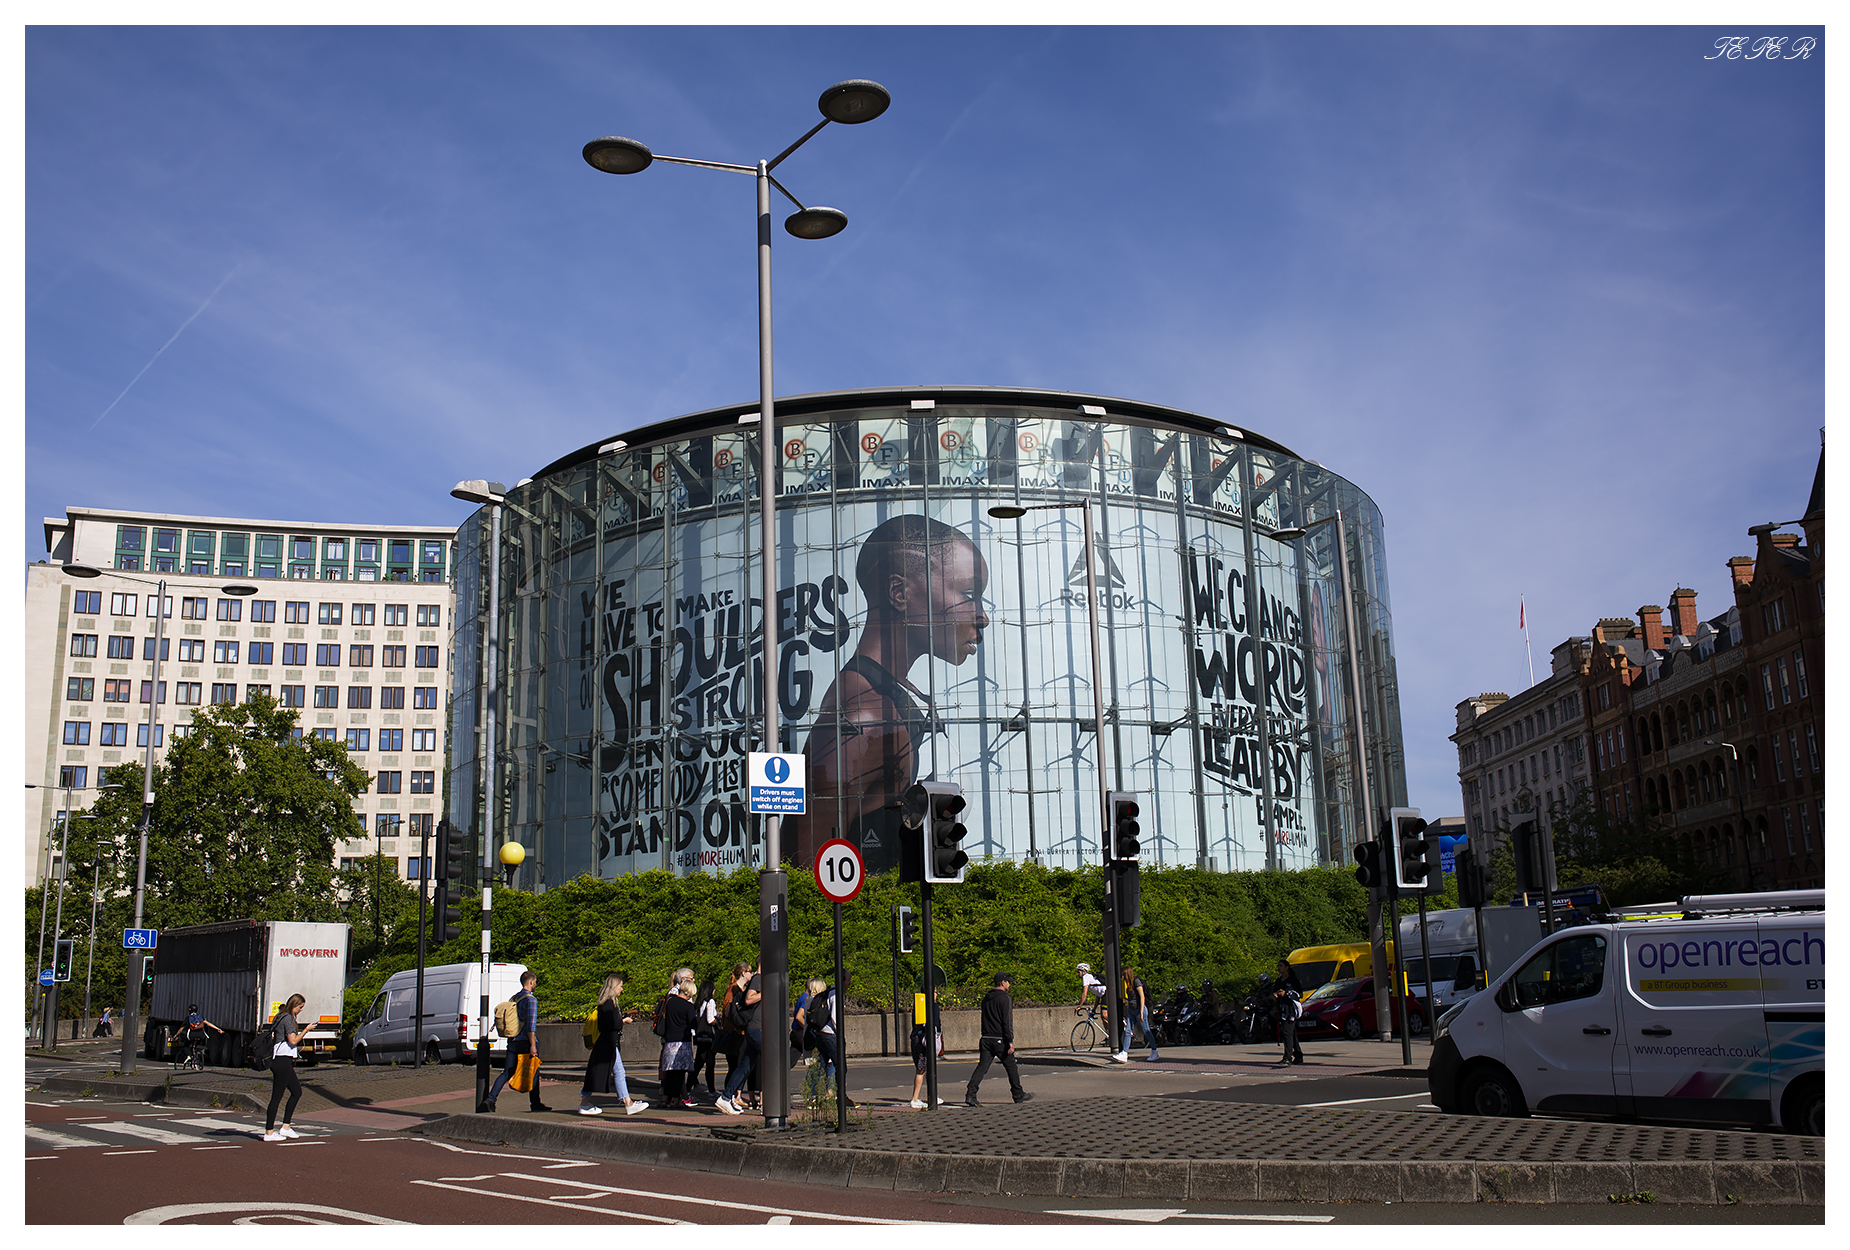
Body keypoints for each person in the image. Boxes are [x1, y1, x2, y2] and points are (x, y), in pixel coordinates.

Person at [795, 516, 990, 875]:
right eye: (968, 595)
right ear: (899, 593)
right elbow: (806, 872)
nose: (982, 617)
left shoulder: (891, 698)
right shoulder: (865, 716)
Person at [579, 974, 647, 1116]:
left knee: (601, 1073)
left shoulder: (605, 1003)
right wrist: (624, 1021)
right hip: (608, 1043)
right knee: (613, 1072)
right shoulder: (609, 1004)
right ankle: (627, 1103)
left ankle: (625, 1102)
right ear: (614, 987)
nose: (621, 989)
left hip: (606, 1043)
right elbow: (612, 1024)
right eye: (620, 986)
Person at [483, 969, 547, 1113]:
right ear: (531, 982)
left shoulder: (514, 998)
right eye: (535, 982)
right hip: (525, 1041)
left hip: (513, 1041)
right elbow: (531, 1025)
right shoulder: (531, 1000)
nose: (535, 984)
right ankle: (535, 1104)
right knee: (533, 1071)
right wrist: (533, 1045)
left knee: (507, 1072)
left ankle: (491, 1099)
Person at [965, 972, 1030, 1106]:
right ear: (1002, 982)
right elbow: (1007, 1021)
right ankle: (1018, 1094)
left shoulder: (986, 998)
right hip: (1000, 1039)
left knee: (982, 1067)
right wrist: (1010, 1041)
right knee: (1011, 1067)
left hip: (986, 1038)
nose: (1009, 984)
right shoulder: (1005, 998)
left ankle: (971, 1094)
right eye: (1008, 982)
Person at [714, 962, 761, 1115]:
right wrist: (736, 1026)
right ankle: (731, 1096)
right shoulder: (733, 989)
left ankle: (729, 1096)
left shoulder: (742, 989)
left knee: (743, 1065)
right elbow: (728, 1011)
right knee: (737, 1065)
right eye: (749, 971)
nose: (751, 974)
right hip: (737, 1032)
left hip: (743, 1031)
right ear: (743, 973)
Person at [262, 993, 307, 1142]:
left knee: (296, 1092)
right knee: (277, 1097)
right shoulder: (288, 1018)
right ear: (294, 1005)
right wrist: (306, 1030)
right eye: (300, 1007)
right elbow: (293, 1040)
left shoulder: (279, 1016)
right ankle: (269, 1132)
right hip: (282, 1060)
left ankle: (286, 1127)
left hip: (279, 1059)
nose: (301, 1010)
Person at [657, 980, 699, 1107]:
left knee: (669, 1072)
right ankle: (676, 1098)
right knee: (680, 1073)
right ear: (689, 992)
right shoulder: (688, 1006)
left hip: (669, 1040)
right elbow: (693, 1023)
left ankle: (665, 1098)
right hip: (682, 1042)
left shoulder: (670, 1002)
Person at [908, 984, 944, 1108]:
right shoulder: (933, 1005)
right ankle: (915, 1098)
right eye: (935, 992)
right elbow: (936, 1024)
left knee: (927, 1068)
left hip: (917, 1038)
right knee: (922, 1069)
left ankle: (932, 1095)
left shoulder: (919, 1004)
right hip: (925, 1039)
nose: (936, 994)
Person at [1121, 966, 1159, 1062]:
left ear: (1127, 974)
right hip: (1132, 1010)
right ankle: (1124, 1053)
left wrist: (1141, 1012)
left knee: (1146, 1030)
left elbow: (1142, 997)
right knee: (1128, 1031)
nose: (1122, 977)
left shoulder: (1136, 982)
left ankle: (1154, 1051)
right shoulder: (1128, 984)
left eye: (1123, 975)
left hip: (1139, 1009)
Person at [691, 977, 719, 1099]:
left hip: (700, 1036)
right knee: (710, 1064)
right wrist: (718, 1022)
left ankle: (688, 1087)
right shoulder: (710, 1002)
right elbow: (710, 1019)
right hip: (708, 1036)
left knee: (698, 1063)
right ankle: (712, 1090)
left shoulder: (699, 1003)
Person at [1273, 959, 1304, 1066]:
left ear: (1287, 967)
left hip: (1290, 1010)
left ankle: (1287, 1057)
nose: (1279, 968)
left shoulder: (1293, 980)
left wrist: (1286, 993)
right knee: (1291, 1033)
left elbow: (1300, 994)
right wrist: (1275, 995)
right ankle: (1298, 1055)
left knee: (1287, 1033)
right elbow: (1274, 992)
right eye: (1278, 966)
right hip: (1281, 1009)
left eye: (1281, 966)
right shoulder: (1278, 980)